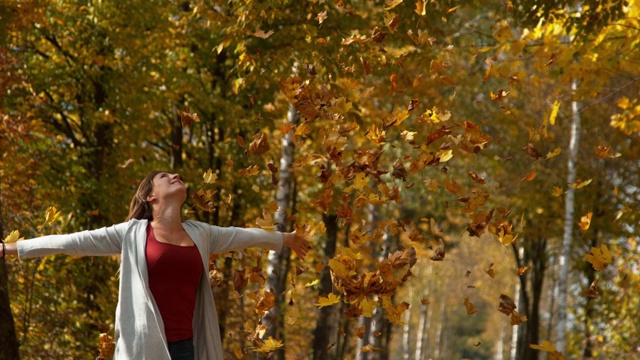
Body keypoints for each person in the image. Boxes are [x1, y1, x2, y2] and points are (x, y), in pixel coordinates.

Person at [1, 171, 309, 360]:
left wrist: (285, 239)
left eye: (177, 176)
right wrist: (10, 249)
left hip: (186, 349)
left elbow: (243, 236)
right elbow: (70, 242)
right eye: (166, 177)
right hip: (141, 350)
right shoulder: (131, 233)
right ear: (151, 195)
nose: (176, 177)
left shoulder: (202, 233)